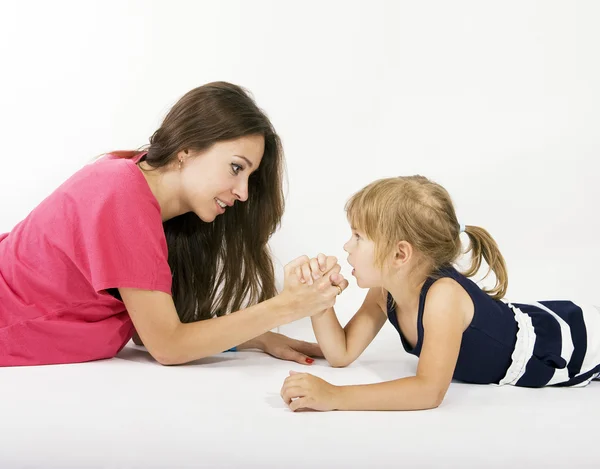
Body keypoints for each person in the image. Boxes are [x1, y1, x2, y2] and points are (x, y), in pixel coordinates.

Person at [0, 81, 347, 367]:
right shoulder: (123, 194)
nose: (243, 193)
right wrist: (287, 306)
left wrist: (257, 337)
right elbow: (166, 345)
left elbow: (147, 327)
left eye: (249, 178)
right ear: (187, 149)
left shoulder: (133, 180)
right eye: (237, 168)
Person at [280, 175, 600, 411]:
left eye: (358, 236)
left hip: (564, 344)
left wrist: (335, 397)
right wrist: (318, 301)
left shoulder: (443, 298)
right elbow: (341, 353)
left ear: (400, 255)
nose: (347, 246)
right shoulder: (383, 292)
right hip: (519, 321)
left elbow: (428, 392)